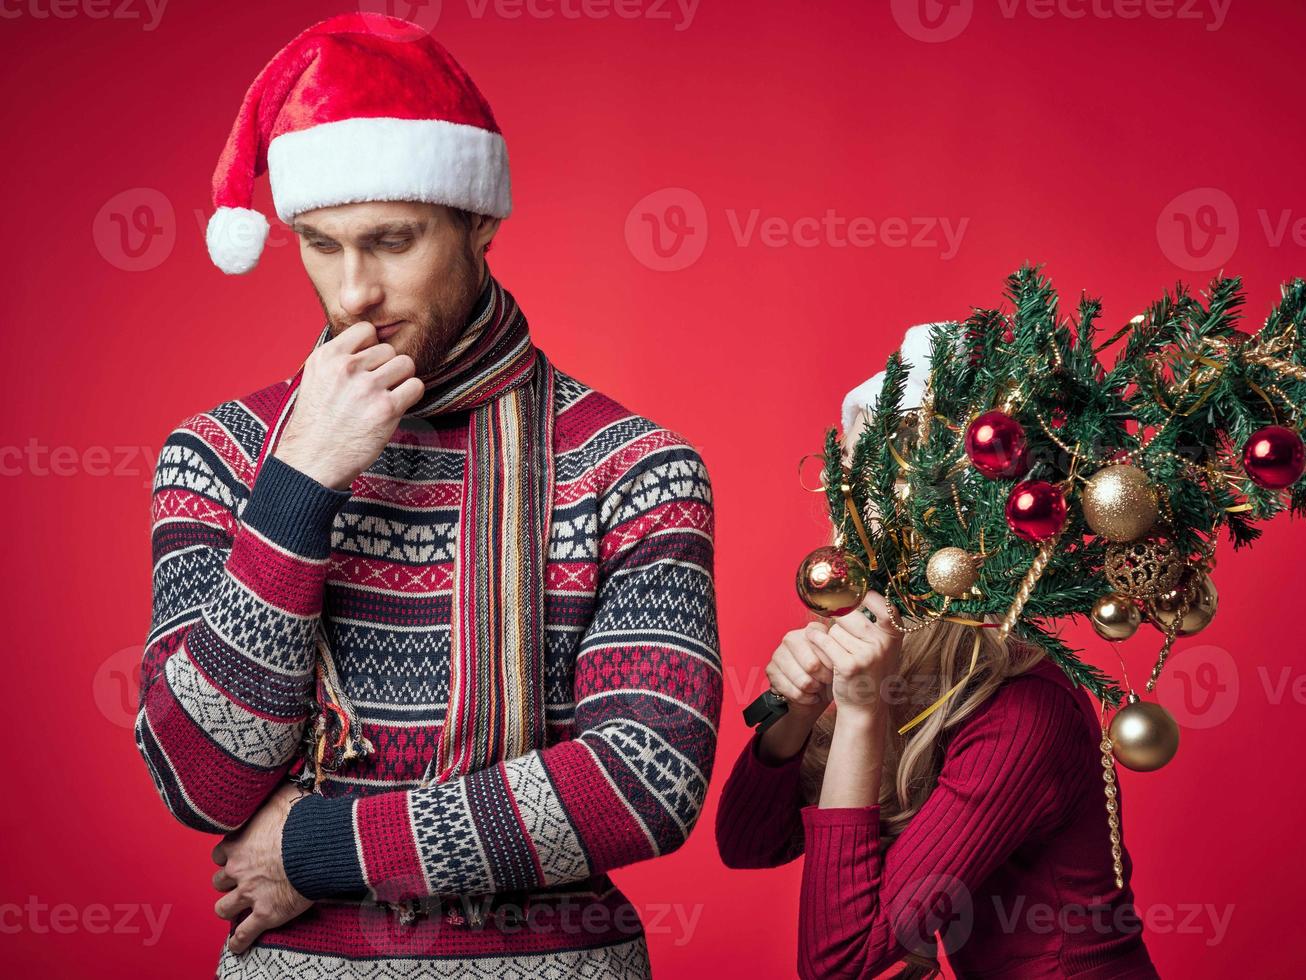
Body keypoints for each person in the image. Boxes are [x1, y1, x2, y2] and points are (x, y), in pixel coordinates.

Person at [134, 13, 720, 978]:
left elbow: (642, 779)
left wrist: (318, 851)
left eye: (392, 241)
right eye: (320, 245)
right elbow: (200, 778)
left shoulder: (635, 466)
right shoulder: (224, 455)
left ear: (479, 220)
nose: (354, 290)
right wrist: (298, 487)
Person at [714, 326, 1158, 979]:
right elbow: (749, 845)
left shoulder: (1023, 711)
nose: (885, 525)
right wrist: (795, 721)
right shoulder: (899, 661)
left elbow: (840, 966)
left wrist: (861, 716)